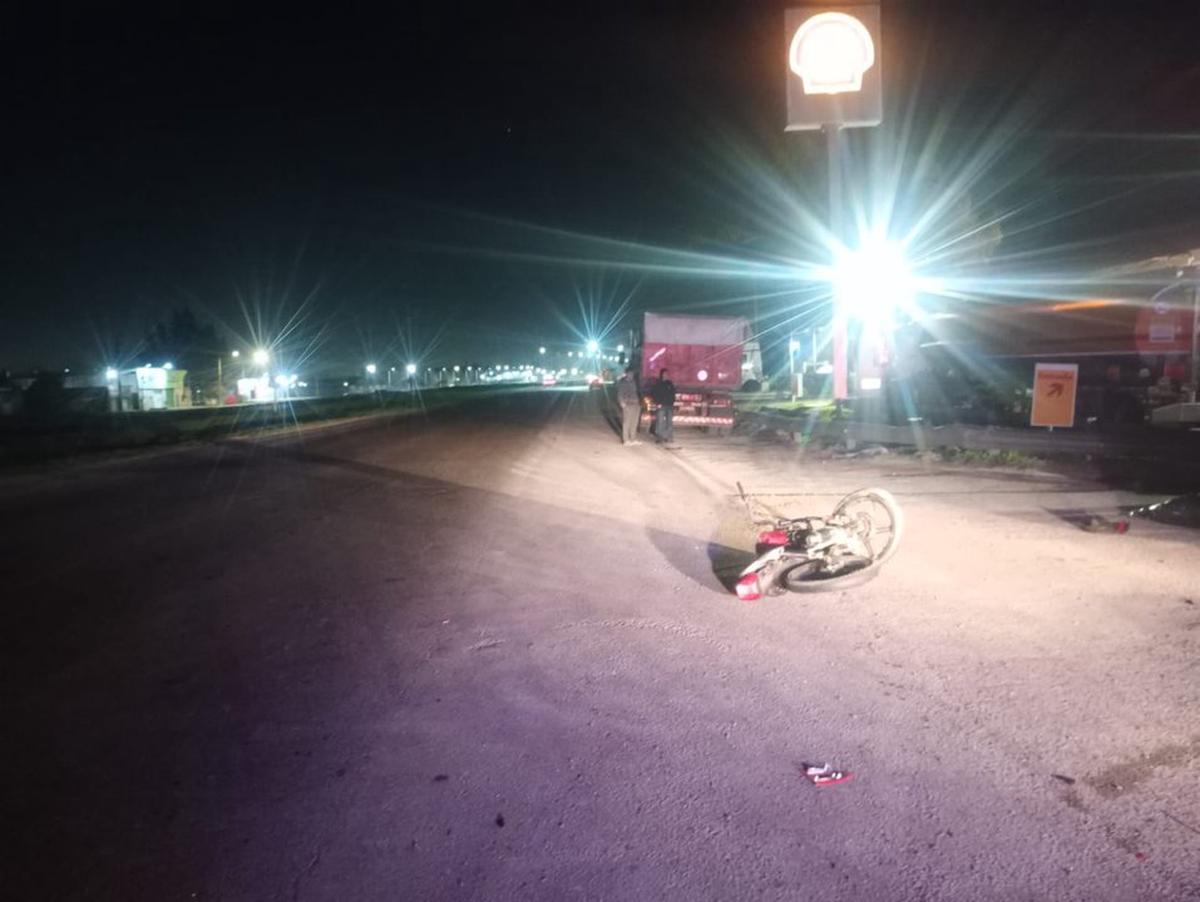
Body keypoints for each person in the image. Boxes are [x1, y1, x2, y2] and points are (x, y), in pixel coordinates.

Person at [616, 367, 642, 445]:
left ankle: (633, 439)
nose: (631, 375)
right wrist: (621, 402)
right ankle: (626, 440)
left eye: (632, 374)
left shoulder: (634, 382)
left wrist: (639, 402)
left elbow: (637, 392)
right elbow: (620, 393)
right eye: (630, 373)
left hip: (636, 404)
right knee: (627, 422)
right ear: (626, 374)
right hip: (627, 404)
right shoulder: (623, 383)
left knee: (634, 422)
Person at [650, 368, 676, 444]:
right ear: (661, 375)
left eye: (667, 374)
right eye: (665, 374)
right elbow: (653, 394)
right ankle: (659, 437)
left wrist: (672, 402)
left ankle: (668, 437)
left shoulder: (670, 384)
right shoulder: (658, 384)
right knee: (660, 422)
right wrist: (658, 403)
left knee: (669, 422)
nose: (666, 375)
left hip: (669, 406)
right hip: (661, 406)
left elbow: (673, 393)